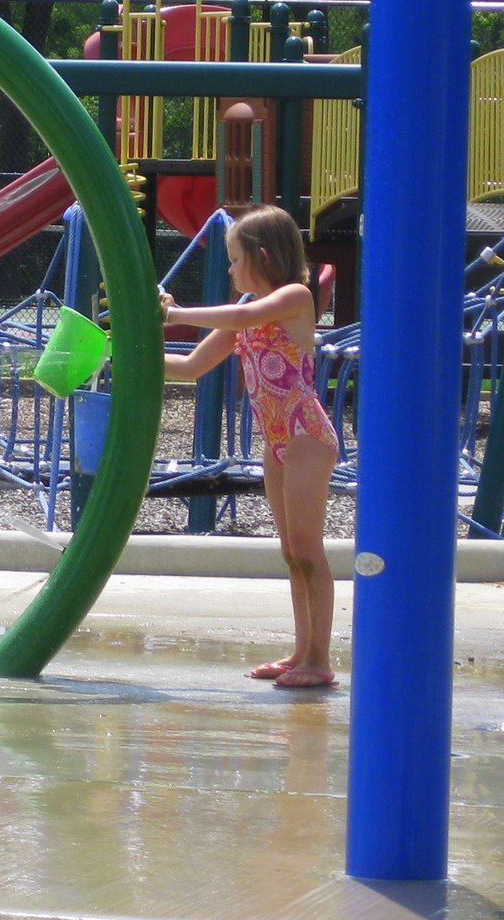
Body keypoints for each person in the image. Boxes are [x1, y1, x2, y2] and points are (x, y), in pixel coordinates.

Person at [161, 206, 340, 689]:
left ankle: (320, 660)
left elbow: (244, 314)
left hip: (306, 436)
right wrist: (129, 347)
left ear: (261, 256)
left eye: (235, 259)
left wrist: (173, 312)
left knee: (308, 551)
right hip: (277, 441)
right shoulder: (246, 307)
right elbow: (191, 366)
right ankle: (301, 651)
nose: (230, 269)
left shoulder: (294, 297)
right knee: (289, 552)